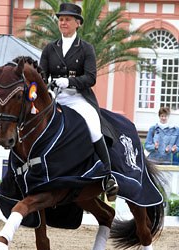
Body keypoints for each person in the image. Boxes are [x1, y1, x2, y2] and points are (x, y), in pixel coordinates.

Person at [39, 3, 118, 200]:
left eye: (67, 19)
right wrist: (47, 84)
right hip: (54, 98)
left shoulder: (85, 49)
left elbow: (91, 78)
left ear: (78, 23)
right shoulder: (50, 48)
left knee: (93, 126)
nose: (63, 22)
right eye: (61, 19)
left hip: (77, 98)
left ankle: (108, 176)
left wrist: (69, 81)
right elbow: (42, 75)